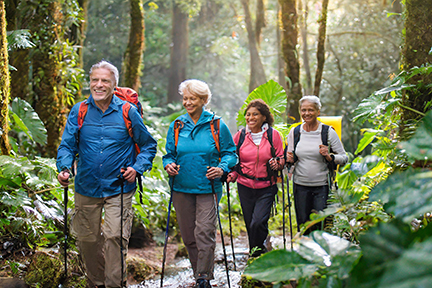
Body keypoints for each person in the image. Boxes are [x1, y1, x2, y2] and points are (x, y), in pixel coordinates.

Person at [56, 60, 157, 288]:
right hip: (86, 186)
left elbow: (149, 145)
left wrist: (137, 168)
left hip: (119, 187)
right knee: (87, 240)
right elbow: (67, 145)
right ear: (89, 82)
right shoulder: (79, 110)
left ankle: (114, 284)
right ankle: (97, 283)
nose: (99, 85)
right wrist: (64, 168)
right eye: (95, 80)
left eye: (105, 81)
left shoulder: (127, 111)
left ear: (114, 85)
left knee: (115, 237)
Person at [163, 79, 237, 288]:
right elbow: (169, 155)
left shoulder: (216, 125)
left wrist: (222, 168)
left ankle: (203, 277)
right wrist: (169, 165)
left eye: (192, 98)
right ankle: (198, 274)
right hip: (181, 187)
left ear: (203, 100)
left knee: (204, 232)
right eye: (185, 98)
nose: (187, 102)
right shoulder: (177, 125)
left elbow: (230, 153)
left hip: (208, 187)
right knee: (188, 236)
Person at [227, 99, 285, 257]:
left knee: (258, 221)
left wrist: (277, 164)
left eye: (255, 114)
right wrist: (232, 173)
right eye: (248, 115)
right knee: (250, 224)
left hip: (267, 185)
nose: (250, 118)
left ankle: (259, 252)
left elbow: (281, 157)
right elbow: (233, 159)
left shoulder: (274, 136)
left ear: (264, 117)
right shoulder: (240, 136)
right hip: (245, 185)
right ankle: (256, 255)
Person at [285, 95, 348, 233]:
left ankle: (320, 253)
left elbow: (344, 157)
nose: (307, 113)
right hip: (300, 186)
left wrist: (329, 156)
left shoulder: (327, 132)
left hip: (322, 187)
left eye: (311, 110)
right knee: (303, 226)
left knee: (320, 226)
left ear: (318, 111)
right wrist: (288, 159)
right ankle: (305, 253)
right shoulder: (295, 132)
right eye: (303, 110)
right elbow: (289, 156)